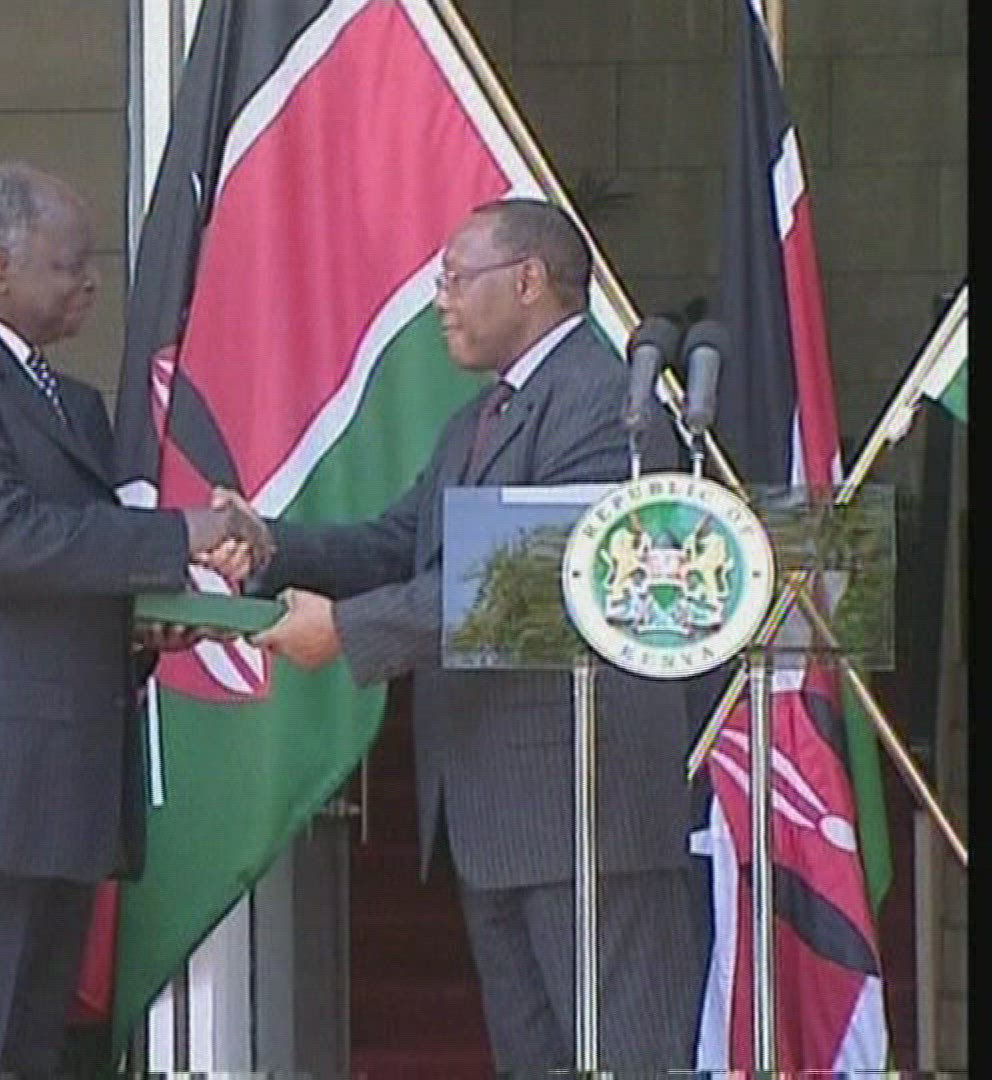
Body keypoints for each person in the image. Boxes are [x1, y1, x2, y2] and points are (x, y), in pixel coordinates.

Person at [239, 199, 704, 1074]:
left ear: (528, 280)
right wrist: (264, 548)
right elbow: (397, 545)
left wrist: (345, 630)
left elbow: (544, 578)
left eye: (455, 279)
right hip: (497, 814)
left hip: (587, 814)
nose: (441, 301)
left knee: (624, 1062)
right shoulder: (478, 419)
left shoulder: (611, 406)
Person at [0, 161, 270, 1078]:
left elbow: (59, 575)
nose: (89, 283)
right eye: (69, 264)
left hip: (43, 795)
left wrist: (137, 631)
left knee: (29, 1057)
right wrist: (181, 534)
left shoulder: (63, 398)